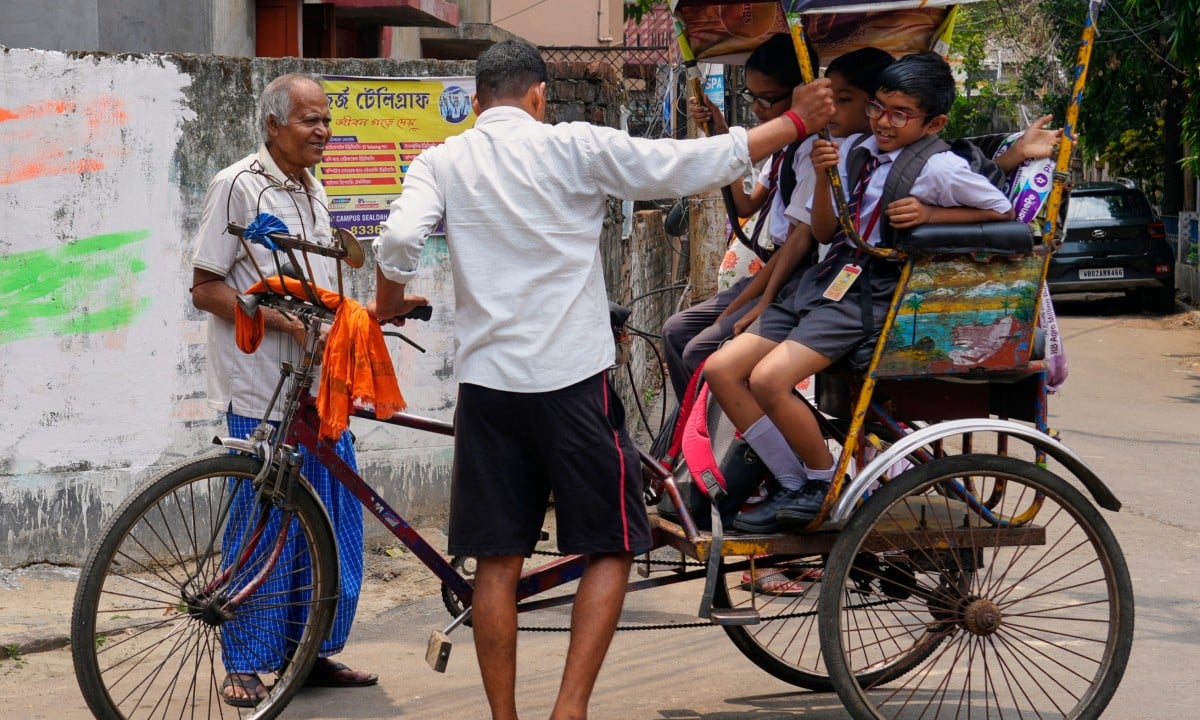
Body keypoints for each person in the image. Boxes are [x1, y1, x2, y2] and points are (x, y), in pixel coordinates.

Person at [372, 39, 832, 720]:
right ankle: (570, 711)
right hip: (571, 384)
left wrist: (387, 302)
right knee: (612, 546)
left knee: (496, 565)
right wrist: (794, 122)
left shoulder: (441, 160)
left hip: (488, 388)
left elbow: (398, 240)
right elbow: (685, 164)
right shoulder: (573, 145)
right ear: (539, 96)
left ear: (475, 102)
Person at [704, 52, 1015, 534]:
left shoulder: (939, 167)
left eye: (900, 114)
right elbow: (825, 231)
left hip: (867, 292)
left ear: (934, 123)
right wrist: (824, 178)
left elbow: (1001, 211)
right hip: (826, 279)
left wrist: (932, 215)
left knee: (768, 380)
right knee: (721, 369)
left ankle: (821, 481)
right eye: (878, 108)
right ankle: (794, 483)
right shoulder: (858, 152)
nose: (884, 122)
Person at [190, 73, 398, 706]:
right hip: (261, 387)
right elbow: (205, 286)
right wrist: (282, 322)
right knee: (262, 525)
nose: (323, 131)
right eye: (311, 120)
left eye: (327, 120)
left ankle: (311, 653)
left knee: (330, 522)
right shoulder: (237, 185)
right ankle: (246, 664)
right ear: (273, 125)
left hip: (318, 385)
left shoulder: (314, 189)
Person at [661, 34, 820, 405]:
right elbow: (747, 204)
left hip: (791, 277)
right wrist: (720, 136)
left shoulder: (815, 151)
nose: (758, 109)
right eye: (752, 97)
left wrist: (758, 301)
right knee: (674, 331)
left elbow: (796, 244)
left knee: (700, 350)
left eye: (767, 98)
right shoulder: (784, 146)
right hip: (770, 271)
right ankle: (691, 428)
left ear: (801, 93)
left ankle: (730, 433)